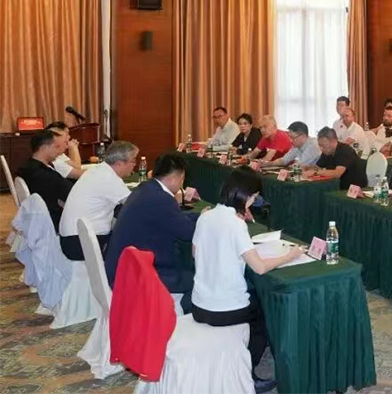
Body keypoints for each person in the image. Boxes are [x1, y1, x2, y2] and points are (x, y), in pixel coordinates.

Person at [191, 167, 300, 393]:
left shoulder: (206, 216)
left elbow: (195, 253)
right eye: (254, 197)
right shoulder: (236, 224)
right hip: (226, 310)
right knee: (263, 320)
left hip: (199, 304)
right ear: (244, 196)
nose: (253, 202)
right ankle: (245, 376)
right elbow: (259, 268)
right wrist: (290, 255)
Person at [105, 153, 197, 295]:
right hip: (134, 277)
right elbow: (188, 232)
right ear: (174, 178)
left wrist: (200, 216)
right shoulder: (162, 199)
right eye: (182, 179)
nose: (181, 184)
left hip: (123, 267)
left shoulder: (146, 188)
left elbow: (174, 218)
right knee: (196, 278)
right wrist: (206, 222)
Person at [59, 141, 138, 260]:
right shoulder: (109, 178)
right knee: (136, 239)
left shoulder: (99, 170)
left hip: (73, 238)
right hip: (80, 243)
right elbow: (136, 205)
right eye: (133, 160)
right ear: (119, 163)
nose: (134, 165)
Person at [17, 130, 75, 231]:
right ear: (44, 147)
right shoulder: (43, 174)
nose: (59, 151)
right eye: (56, 147)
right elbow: (71, 193)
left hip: (37, 218)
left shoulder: (27, 168)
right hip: (54, 222)